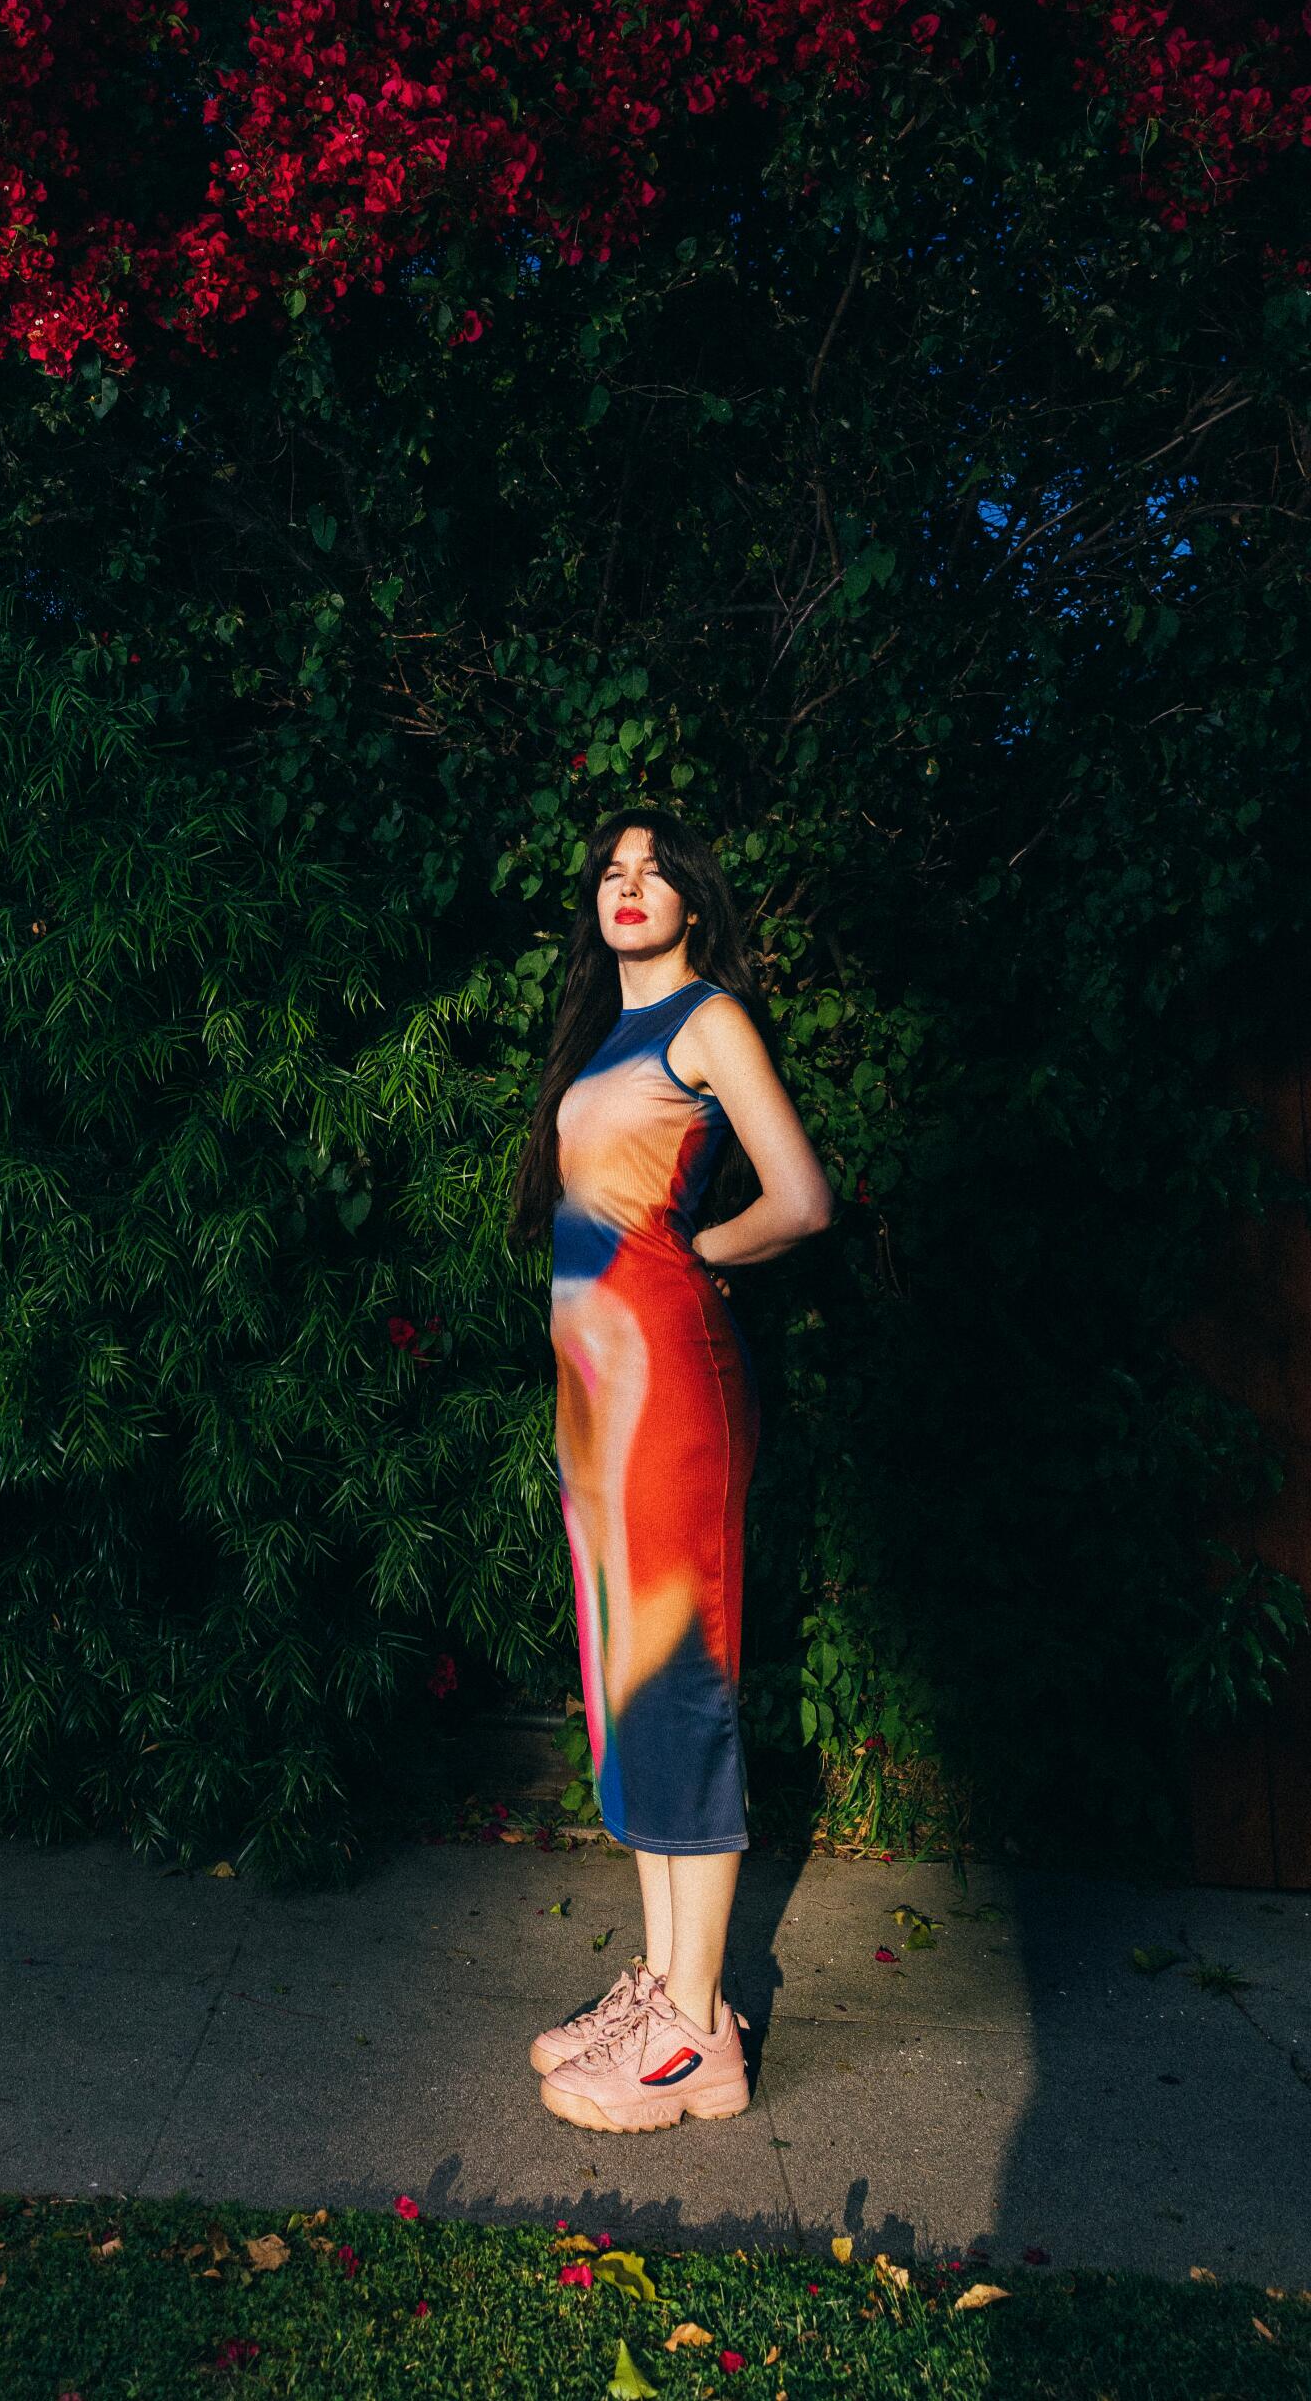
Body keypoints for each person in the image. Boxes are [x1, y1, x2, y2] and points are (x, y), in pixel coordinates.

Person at [510, 808, 834, 2131]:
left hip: (672, 1400)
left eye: (654, 870)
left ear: (692, 899)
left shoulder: (708, 1023)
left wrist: (702, 1256)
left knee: (679, 1684)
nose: (629, 886)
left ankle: (696, 2040)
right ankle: (663, 1982)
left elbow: (801, 1197)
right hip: (599, 1411)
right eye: (610, 870)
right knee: (629, 1693)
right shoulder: (608, 1039)